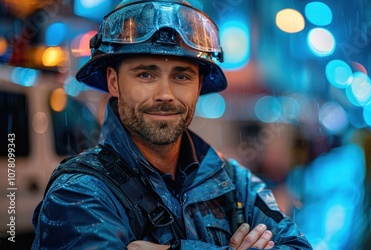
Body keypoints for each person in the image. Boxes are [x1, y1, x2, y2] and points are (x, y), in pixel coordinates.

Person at [31, 0, 312, 249]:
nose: (165, 95)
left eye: (181, 76)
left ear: (199, 85)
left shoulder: (233, 183)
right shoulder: (78, 193)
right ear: (113, 82)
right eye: (145, 74)